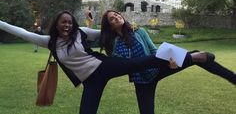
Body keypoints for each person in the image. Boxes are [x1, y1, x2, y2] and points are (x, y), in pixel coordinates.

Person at [0, 10, 187, 114]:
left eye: (69, 22)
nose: (67, 25)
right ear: (56, 24)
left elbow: (106, 31)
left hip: (103, 66)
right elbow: (22, 32)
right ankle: (185, 57)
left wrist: (117, 23)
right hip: (90, 81)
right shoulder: (49, 42)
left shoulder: (81, 32)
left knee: (141, 62)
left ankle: (188, 56)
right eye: (63, 22)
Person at [100, 10, 236, 114]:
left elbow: (154, 51)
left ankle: (232, 77)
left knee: (193, 57)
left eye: (117, 15)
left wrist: (170, 61)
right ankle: (195, 56)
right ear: (109, 26)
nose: (117, 18)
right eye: (112, 18)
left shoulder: (139, 31)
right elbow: (119, 64)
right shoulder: (112, 44)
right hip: (141, 81)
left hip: (158, 68)